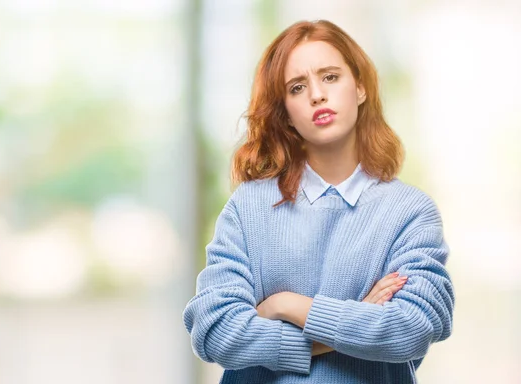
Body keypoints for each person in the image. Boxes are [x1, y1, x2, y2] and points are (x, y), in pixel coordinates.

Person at [183, 19, 454, 383]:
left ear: (359, 87)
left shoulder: (409, 212)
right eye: (297, 87)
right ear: (286, 113)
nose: (316, 95)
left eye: (330, 77)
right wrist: (351, 324)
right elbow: (214, 330)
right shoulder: (249, 207)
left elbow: (414, 327)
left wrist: (285, 306)